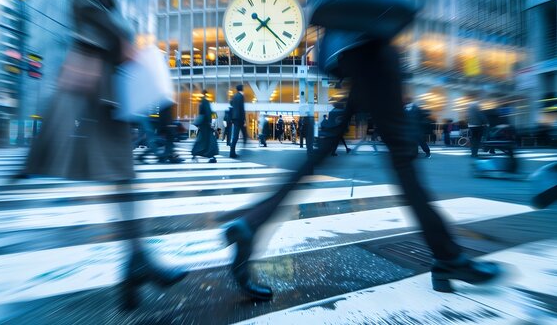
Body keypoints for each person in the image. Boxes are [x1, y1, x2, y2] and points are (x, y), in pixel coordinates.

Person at [222, 25, 501, 303]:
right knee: (403, 161)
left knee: (324, 152)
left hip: (354, 50)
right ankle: (447, 257)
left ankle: (251, 224)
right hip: (373, 48)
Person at [21, 0, 186, 310]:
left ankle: (137, 261)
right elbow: (86, 1)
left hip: (101, 70)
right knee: (30, 169)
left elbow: (94, 2)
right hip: (89, 67)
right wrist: (122, 40)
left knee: (120, 171)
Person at [191, 90, 218, 163]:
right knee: (210, 140)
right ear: (206, 94)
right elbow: (208, 112)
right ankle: (211, 156)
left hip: (203, 124)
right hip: (206, 124)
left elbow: (202, 113)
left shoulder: (201, 102)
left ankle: (195, 153)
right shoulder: (206, 101)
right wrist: (210, 123)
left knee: (202, 140)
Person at [229, 84, 246, 158]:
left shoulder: (234, 96)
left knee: (235, 135)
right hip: (240, 118)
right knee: (237, 135)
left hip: (235, 118)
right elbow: (242, 108)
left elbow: (231, 104)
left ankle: (232, 152)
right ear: (242, 89)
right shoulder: (241, 96)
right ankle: (233, 152)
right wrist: (244, 119)